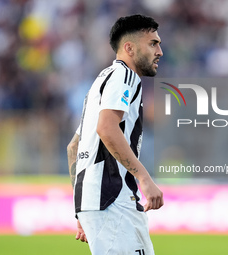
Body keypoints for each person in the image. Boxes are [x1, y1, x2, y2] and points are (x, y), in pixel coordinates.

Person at [67, 14, 164, 255]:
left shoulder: (100, 81)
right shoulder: (124, 76)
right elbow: (107, 128)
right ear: (129, 48)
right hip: (113, 198)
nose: (160, 51)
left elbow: (73, 147)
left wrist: (82, 207)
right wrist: (144, 178)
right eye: (153, 43)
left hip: (97, 200)